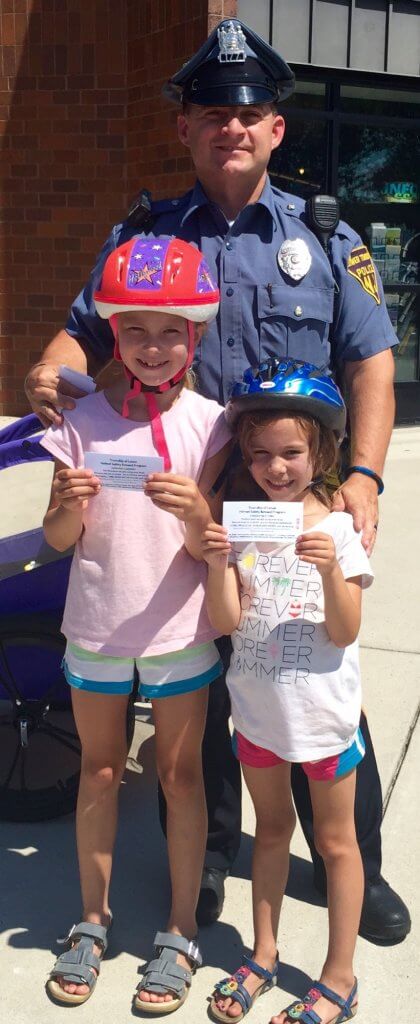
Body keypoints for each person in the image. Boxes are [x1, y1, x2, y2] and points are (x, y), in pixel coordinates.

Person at [24, 17, 410, 942]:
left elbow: (373, 366)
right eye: (210, 113)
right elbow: (87, 325)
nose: (230, 128)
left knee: (317, 671)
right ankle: (208, 871)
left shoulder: (325, 236)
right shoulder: (149, 235)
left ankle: (352, 854)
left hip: (289, 500)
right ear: (188, 129)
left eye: (251, 115)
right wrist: (51, 360)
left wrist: (361, 476)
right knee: (207, 681)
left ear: (276, 129)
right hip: (185, 497)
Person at [41, 237, 232, 1011]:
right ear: (113, 336)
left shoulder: (214, 426)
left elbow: (209, 549)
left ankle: (182, 928)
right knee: (98, 770)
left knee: (182, 777)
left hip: (179, 630)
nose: (153, 349)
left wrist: (195, 514)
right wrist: (69, 504)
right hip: (95, 623)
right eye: (136, 332)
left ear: (196, 336)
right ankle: (91, 920)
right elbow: (58, 539)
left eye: (171, 332)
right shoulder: (80, 420)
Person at [202, 359, 371, 1024]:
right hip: (259, 719)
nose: (277, 468)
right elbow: (226, 622)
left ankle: (338, 975)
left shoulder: (337, 531)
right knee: (270, 834)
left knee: (335, 846)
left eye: (293, 453)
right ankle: (263, 953)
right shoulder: (244, 525)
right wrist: (219, 564)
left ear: (323, 451)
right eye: (262, 454)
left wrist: (332, 571)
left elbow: (347, 626)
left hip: (323, 722)